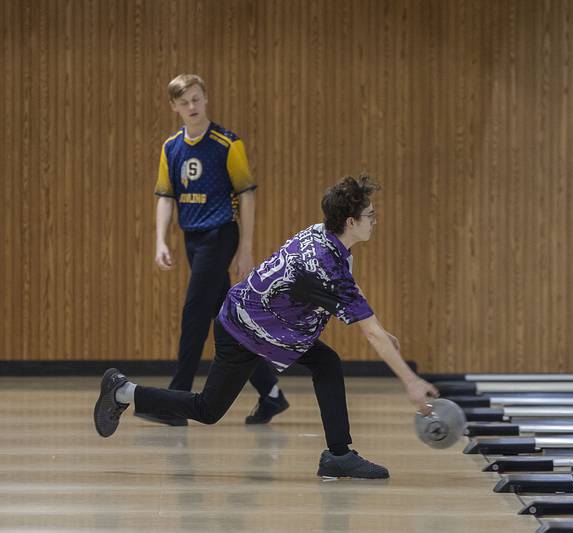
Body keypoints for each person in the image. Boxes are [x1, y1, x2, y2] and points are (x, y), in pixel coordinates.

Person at [94, 175, 439, 479]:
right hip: (243, 328)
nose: (375, 221)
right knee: (207, 410)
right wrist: (411, 382)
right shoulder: (325, 265)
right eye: (370, 216)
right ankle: (123, 390)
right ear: (351, 221)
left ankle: (338, 455)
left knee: (327, 362)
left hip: (264, 322)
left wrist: (378, 324)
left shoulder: (325, 236)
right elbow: (367, 329)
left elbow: (349, 289)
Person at [146, 73, 287, 426]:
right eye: (184, 102)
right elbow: (165, 196)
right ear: (174, 107)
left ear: (205, 99)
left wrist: (246, 248)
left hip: (221, 235)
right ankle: (271, 394)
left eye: (196, 99)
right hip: (193, 239)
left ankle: (175, 401)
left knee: (194, 315)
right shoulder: (171, 147)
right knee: (228, 321)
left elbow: (247, 194)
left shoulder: (227, 144)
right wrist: (160, 239)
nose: (191, 107)